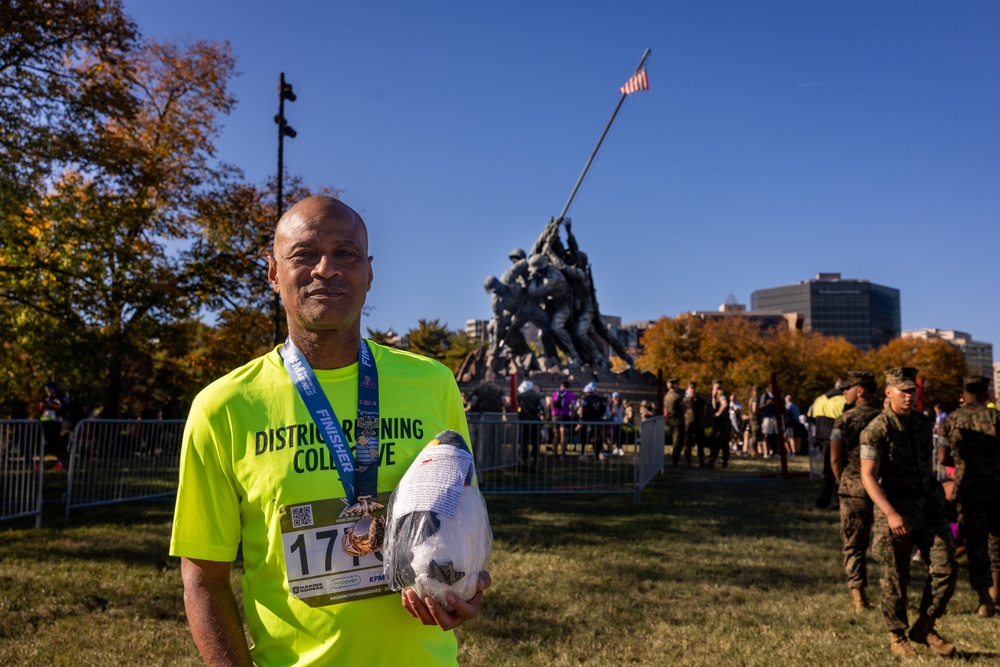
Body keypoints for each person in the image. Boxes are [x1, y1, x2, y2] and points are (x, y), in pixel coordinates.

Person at [169, 196, 489, 667]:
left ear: (369, 271)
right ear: (274, 272)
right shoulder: (223, 408)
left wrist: (467, 587)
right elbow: (204, 579)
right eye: (304, 254)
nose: (326, 269)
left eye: (346, 253)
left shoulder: (433, 384)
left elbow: (463, 524)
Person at [860, 367, 957, 658]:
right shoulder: (877, 429)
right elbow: (867, 476)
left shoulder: (922, 423)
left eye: (912, 390)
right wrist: (890, 513)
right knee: (895, 578)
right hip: (896, 511)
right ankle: (897, 635)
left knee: (946, 569)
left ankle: (924, 626)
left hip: (928, 508)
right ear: (888, 392)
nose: (908, 395)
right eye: (902, 390)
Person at [938, 375, 999, 618]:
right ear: (986, 394)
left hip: (968, 488)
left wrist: (963, 464)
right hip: (996, 487)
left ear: (964, 394)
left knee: (975, 543)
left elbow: (942, 458)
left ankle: (985, 601)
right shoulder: (996, 418)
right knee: (997, 540)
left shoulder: (951, 420)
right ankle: (996, 593)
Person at [829, 371, 880, 612]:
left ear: (860, 391)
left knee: (854, 544)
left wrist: (843, 482)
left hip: (853, 489)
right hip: (884, 490)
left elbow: (835, 458)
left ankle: (859, 598)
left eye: (846, 389)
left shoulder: (844, 420)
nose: (843, 393)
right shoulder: (885, 418)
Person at [810, 380, 845, 509]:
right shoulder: (843, 400)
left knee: (828, 472)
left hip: (822, 438)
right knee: (837, 471)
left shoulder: (819, 399)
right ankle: (835, 501)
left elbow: (813, 418)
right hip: (837, 439)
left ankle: (823, 500)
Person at [516, 380, 545, 472]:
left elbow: (514, 405)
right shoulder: (538, 395)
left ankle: (523, 461)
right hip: (535, 422)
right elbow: (544, 405)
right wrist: (545, 415)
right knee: (535, 442)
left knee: (524, 442)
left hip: (524, 422)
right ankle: (535, 463)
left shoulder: (521, 396)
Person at [39, 381, 65, 469]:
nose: (48, 391)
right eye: (46, 390)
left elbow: (59, 407)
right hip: (45, 422)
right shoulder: (45, 398)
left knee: (55, 442)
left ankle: (59, 462)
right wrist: (42, 406)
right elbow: (41, 409)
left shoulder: (57, 398)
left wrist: (50, 404)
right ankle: (41, 462)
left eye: (49, 389)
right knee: (45, 441)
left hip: (55, 422)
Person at [579, 382, 607, 461]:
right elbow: (603, 409)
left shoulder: (584, 399)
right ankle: (597, 453)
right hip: (596, 420)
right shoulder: (599, 398)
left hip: (586, 420)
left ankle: (583, 453)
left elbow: (582, 410)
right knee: (596, 437)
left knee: (585, 437)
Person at [681, 382, 706, 467]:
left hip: (698, 422)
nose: (693, 390)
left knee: (700, 442)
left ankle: (701, 460)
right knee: (688, 441)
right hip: (688, 422)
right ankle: (688, 459)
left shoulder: (700, 400)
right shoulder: (685, 400)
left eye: (694, 388)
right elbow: (682, 410)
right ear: (688, 389)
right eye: (691, 388)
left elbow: (704, 411)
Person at [707, 380, 730, 468]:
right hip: (725, 422)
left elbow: (724, 404)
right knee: (724, 443)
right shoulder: (721, 394)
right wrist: (713, 397)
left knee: (716, 441)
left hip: (721, 422)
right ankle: (725, 461)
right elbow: (714, 406)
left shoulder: (721, 394)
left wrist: (718, 413)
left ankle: (712, 460)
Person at [551, 380, 576, 459]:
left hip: (555, 415)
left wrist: (552, 412)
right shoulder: (570, 394)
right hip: (565, 415)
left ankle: (554, 453)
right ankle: (563, 453)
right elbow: (572, 405)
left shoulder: (555, 393)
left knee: (556, 435)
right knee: (564, 435)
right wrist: (572, 414)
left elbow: (551, 403)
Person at [664, 379, 685, 467]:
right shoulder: (677, 397)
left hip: (670, 421)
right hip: (678, 421)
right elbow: (684, 408)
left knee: (674, 440)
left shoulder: (666, 396)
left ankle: (675, 458)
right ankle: (675, 460)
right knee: (678, 441)